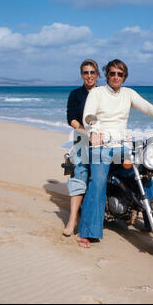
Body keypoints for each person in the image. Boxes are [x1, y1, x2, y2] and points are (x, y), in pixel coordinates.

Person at [77, 59, 153, 248]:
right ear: (107, 75)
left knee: (145, 173)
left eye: (120, 74)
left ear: (125, 77)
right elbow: (88, 116)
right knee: (97, 182)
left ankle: (152, 220)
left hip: (123, 145)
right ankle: (89, 232)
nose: (116, 77)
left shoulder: (128, 94)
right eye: (112, 73)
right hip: (101, 145)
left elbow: (147, 107)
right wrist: (93, 133)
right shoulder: (97, 93)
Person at [63, 59, 100, 237]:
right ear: (81, 75)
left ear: (98, 74)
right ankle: (72, 219)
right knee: (81, 171)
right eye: (86, 72)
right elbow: (71, 117)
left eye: (92, 72)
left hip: (105, 138)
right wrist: (84, 132)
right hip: (82, 137)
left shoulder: (105, 94)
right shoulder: (75, 94)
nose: (89, 76)